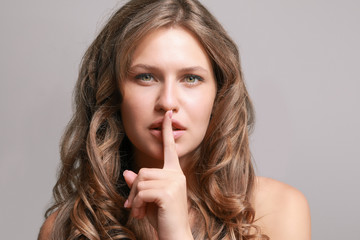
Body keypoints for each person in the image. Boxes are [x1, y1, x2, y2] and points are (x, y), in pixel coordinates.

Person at [39, 0, 311, 239]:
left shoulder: (278, 210)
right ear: (113, 93)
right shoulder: (66, 230)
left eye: (191, 78)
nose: (168, 101)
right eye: (146, 77)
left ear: (219, 95)